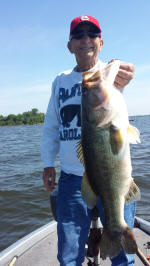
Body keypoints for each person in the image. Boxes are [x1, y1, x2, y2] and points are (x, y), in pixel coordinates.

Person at [41, 15, 136, 266]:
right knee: (69, 253)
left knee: (124, 258)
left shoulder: (108, 78)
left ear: (101, 42)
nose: (86, 40)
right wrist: (47, 162)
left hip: (115, 181)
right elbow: (51, 124)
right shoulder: (60, 81)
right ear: (70, 46)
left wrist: (121, 69)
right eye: (78, 35)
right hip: (71, 178)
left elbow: (122, 71)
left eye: (92, 34)